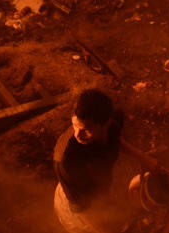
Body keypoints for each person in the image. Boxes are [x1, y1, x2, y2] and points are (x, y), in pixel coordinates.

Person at [54, 89, 162, 233]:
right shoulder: (67, 161)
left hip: (97, 188)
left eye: (86, 129)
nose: (78, 134)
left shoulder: (113, 123)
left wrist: (142, 158)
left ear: (105, 124)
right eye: (75, 125)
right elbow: (81, 208)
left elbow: (115, 138)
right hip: (76, 208)